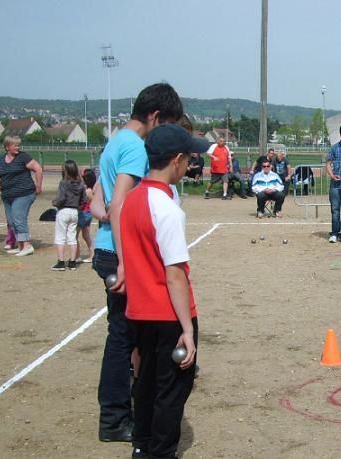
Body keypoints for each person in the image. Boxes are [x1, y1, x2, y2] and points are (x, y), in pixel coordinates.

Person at [93, 82, 184, 444]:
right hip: (119, 253)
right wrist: (128, 261)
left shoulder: (114, 141)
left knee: (125, 336)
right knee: (123, 337)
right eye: (168, 125)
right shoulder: (133, 146)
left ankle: (124, 410)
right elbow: (118, 205)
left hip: (108, 250)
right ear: (155, 116)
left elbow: (99, 204)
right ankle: (115, 418)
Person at [121, 123, 198, 459]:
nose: (190, 166)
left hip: (138, 312)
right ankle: (161, 451)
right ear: (177, 160)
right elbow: (175, 275)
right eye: (189, 159)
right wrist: (187, 329)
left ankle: (142, 443)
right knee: (171, 390)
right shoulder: (166, 208)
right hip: (167, 314)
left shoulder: (132, 199)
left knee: (146, 383)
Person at [0, 135, 43, 256]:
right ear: (7, 147)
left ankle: (27, 245)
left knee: (18, 217)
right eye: (15, 145)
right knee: (11, 221)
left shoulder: (23, 157)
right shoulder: (1, 160)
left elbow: (38, 169)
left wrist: (38, 186)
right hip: (7, 195)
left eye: (18, 145)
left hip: (24, 193)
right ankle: (20, 246)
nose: (18, 147)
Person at [51, 160, 86, 271]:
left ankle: (61, 262)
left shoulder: (63, 183)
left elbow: (61, 198)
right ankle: (72, 262)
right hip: (74, 212)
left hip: (63, 211)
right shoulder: (80, 184)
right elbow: (84, 199)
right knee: (72, 237)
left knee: (60, 237)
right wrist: (78, 205)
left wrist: (55, 203)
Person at [78, 169, 96, 263]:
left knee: (75, 235)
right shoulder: (91, 189)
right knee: (85, 235)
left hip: (84, 213)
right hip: (87, 213)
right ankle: (92, 254)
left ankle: (76, 256)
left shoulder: (88, 190)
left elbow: (91, 201)